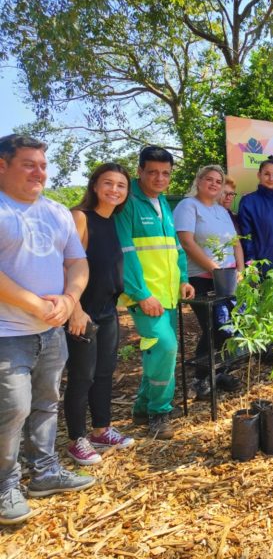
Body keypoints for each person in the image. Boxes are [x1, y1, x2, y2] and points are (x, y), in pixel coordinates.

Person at [0, 134, 94, 525]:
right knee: (12, 409)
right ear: (2, 166)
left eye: (42, 164)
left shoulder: (56, 211)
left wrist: (70, 300)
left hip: (51, 331)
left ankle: (45, 472)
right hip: (7, 332)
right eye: (28, 164)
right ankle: (5, 486)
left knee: (45, 403)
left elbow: (77, 262)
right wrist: (35, 303)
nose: (39, 171)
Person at [115, 146, 194, 440]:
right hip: (146, 297)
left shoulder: (162, 202)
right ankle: (159, 413)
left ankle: (141, 407)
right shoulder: (128, 204)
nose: (160, 178)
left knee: (159, 352)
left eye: (165, 173)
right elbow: (124, 254)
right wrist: (140, 294)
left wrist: (183, 279)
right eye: (153, 172)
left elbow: (175, 248)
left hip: (169, 294)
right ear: (140, 171)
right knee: (165, 347)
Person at [64, 163, 134, 467]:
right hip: (84, 312)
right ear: (94, 186)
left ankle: (101, 430)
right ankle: (76, 438)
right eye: (108, 183)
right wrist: (75, 309)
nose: (114, 190)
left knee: (105, 372)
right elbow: (65, 265)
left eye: (121, 185)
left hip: (108, 311)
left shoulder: (113, 222)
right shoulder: (80, 217)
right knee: (82, 376)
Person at [173, 165, 243, 400]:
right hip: (201, 279)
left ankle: (218, 372)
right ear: (199, 180)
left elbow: (236, 242)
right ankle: (201, 379)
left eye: (218, 181)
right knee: (214, 327)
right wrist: (215, 270)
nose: (214, 184)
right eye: (209, 179)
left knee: (228, 327)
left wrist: (240, 270)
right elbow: (187, 242)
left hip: (228, 278)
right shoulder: (188, 206)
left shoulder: (222, 211)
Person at [238, 156, 273, 267]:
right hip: (261, 267)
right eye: (267, 174)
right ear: (259, 175)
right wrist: (251, 265)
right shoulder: (248, 201)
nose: (271, 178)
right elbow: (246, 238)